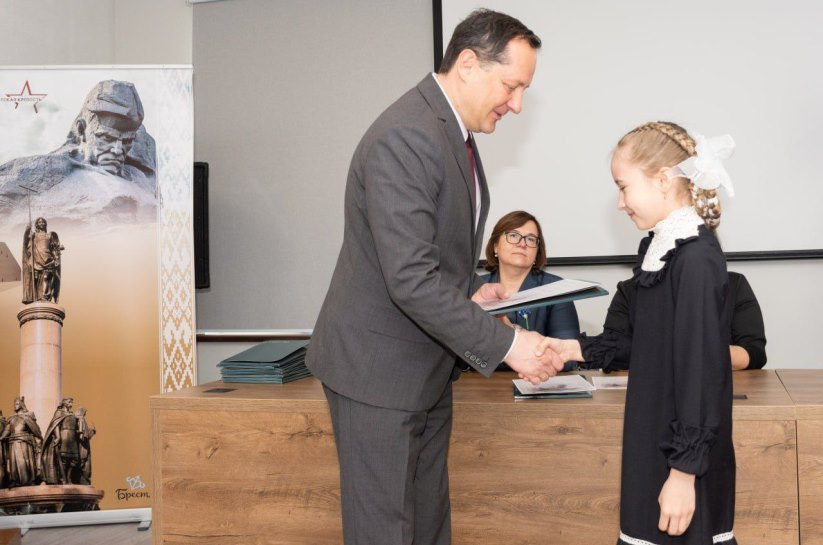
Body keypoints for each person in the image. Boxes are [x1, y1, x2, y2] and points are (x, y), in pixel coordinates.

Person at [305, 10, 560, 545]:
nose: (516, 104)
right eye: (512, 86)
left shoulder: (447, 130)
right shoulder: (408, 135)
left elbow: (427, 255)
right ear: (468, 64)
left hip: (423, 369)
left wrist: (470, 294)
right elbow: (410, 279)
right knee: (385, 532)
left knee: (427, 525)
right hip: (378, 374)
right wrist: (509, 345)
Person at [542, 121, 738, 544]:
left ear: (664, 180)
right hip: (654, 440)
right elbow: (650, 346)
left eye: (623, 187)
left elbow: (701, 372)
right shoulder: (661, 248)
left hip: (681, 458)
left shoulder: (696, 259)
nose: (619, 203)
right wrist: (574, 348)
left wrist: (684, 472)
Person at [0, 80, 157, 227]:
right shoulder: (42, 171)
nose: (117, 150)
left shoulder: (139, 178)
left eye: (127, 141)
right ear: (82, 130)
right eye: (107, 138)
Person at [600, 271, 766, 372]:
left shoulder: (732, 285)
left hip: (715, 394)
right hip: (649, 396)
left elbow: (753, 354)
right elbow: (612, 354)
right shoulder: (630, 291)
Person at [480, 210, 580, 369]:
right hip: (483, 382)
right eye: (513, 235)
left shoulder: (557, 289)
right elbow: (462, 354)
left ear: (537, 252)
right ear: (495, 246)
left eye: (531, 239)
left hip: (540, 381)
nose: (522, 243)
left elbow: (567, 359)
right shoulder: (476, 288)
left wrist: (511, 333)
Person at [1, 397, 43, 487]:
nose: (15, 405)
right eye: (14, 404)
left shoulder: (26, 417)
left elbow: (35, 429)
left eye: (17, 404)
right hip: (13, 442)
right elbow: (7, 430)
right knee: (14, 463)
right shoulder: (11, 418)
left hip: (24, 441)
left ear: (21, 405)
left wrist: (39, 438)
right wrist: (1, 437)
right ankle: (15, 480)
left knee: (24, 461)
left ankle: (28, 480)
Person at [22, 216, 64, 304]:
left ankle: (45, 297)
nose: (41, 223)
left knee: (46, 278)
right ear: (36, 224)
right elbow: (26, 243)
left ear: (45, 224)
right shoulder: (33, 235)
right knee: (36, 279)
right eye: (39, 222)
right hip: (36, 260)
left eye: (43, 222)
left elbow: (54, 248)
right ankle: (37, 297)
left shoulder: (50, 235)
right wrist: (27, 231)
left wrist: (58, 249)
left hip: (48, 259)